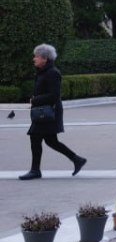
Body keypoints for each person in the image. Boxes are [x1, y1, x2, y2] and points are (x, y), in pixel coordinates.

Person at [20, 44, 86, 179]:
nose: (34, 59)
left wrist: (35, 100)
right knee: (51, 140)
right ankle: (77, 159)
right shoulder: (43, 72)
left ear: (44, 58)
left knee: (36, 138)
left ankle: (35, 170)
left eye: (36, 56)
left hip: (49, 112)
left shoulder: (52, 73)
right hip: (44, 112)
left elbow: (54, 95)